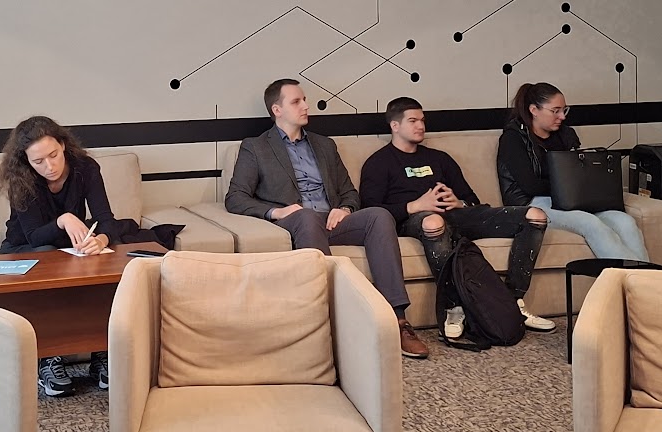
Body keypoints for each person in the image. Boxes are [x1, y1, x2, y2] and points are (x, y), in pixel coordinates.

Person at [225, 79, 429, 359]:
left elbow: (349, 192)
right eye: (296, 101)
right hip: (296, 220)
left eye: (304, 99)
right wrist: (277, 212)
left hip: (332, 221)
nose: (306, 106)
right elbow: (236, 197)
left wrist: (344, 208)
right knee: (307, 217)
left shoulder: (324, 145)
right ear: (277, 110)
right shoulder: (256, 147)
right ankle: (330, 323)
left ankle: (397, 320)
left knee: (379, 216)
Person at [359, 97, 555, 341]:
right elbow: (370, 210)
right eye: (413, 121)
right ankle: (453, 307)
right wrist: (415, 206)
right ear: (395, 126)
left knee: (535, 216)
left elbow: (472, 199)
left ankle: (513, 300)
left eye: (422, 120)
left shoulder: (440, 158)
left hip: (457, 216)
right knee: (433, 222)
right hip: (416, 221)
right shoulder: (379, 163)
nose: (421, 126)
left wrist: (459, 202)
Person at [0, 115, 121, 396]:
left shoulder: (85, 168)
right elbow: (34, 237)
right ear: (26, 161)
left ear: (63, 145)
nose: (49, 167)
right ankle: (48, 358)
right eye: (38, 161)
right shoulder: (21, 179)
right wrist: (64, 219)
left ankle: (101, 351)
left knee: (104, 260)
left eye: (53, 155)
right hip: (24, 249)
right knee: (46, 255)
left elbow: (106, 220)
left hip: (67, 249)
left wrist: (100, 240)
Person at [498, 82, 649, 261]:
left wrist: (578, 189)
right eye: (555, 111)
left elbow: (578, 174)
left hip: (573, 198)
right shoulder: (513, 138)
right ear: (534, 110)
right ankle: (634, 276)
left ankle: (646, 276)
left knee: (626, 222)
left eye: (564, 110)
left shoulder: (565, 135)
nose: (562, 116)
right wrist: (569, 188)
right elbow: (530, 185)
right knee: (589, 222)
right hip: (532, 203)